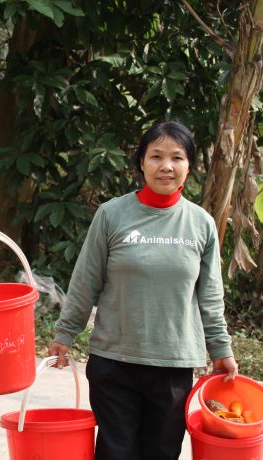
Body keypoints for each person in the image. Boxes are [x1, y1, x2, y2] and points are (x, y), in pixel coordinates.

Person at [48, 121, 238, 460]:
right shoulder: (112, 214)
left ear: (189, 166)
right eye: (156, 156)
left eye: (177, 158)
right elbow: (85, 280)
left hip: (174, 364)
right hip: (114, 360)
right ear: (141, 163)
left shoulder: (201, 223)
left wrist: (221, 348)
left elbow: (210, 295)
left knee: (161, 452)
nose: (166, 166)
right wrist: (65, 333)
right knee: (115, 452)